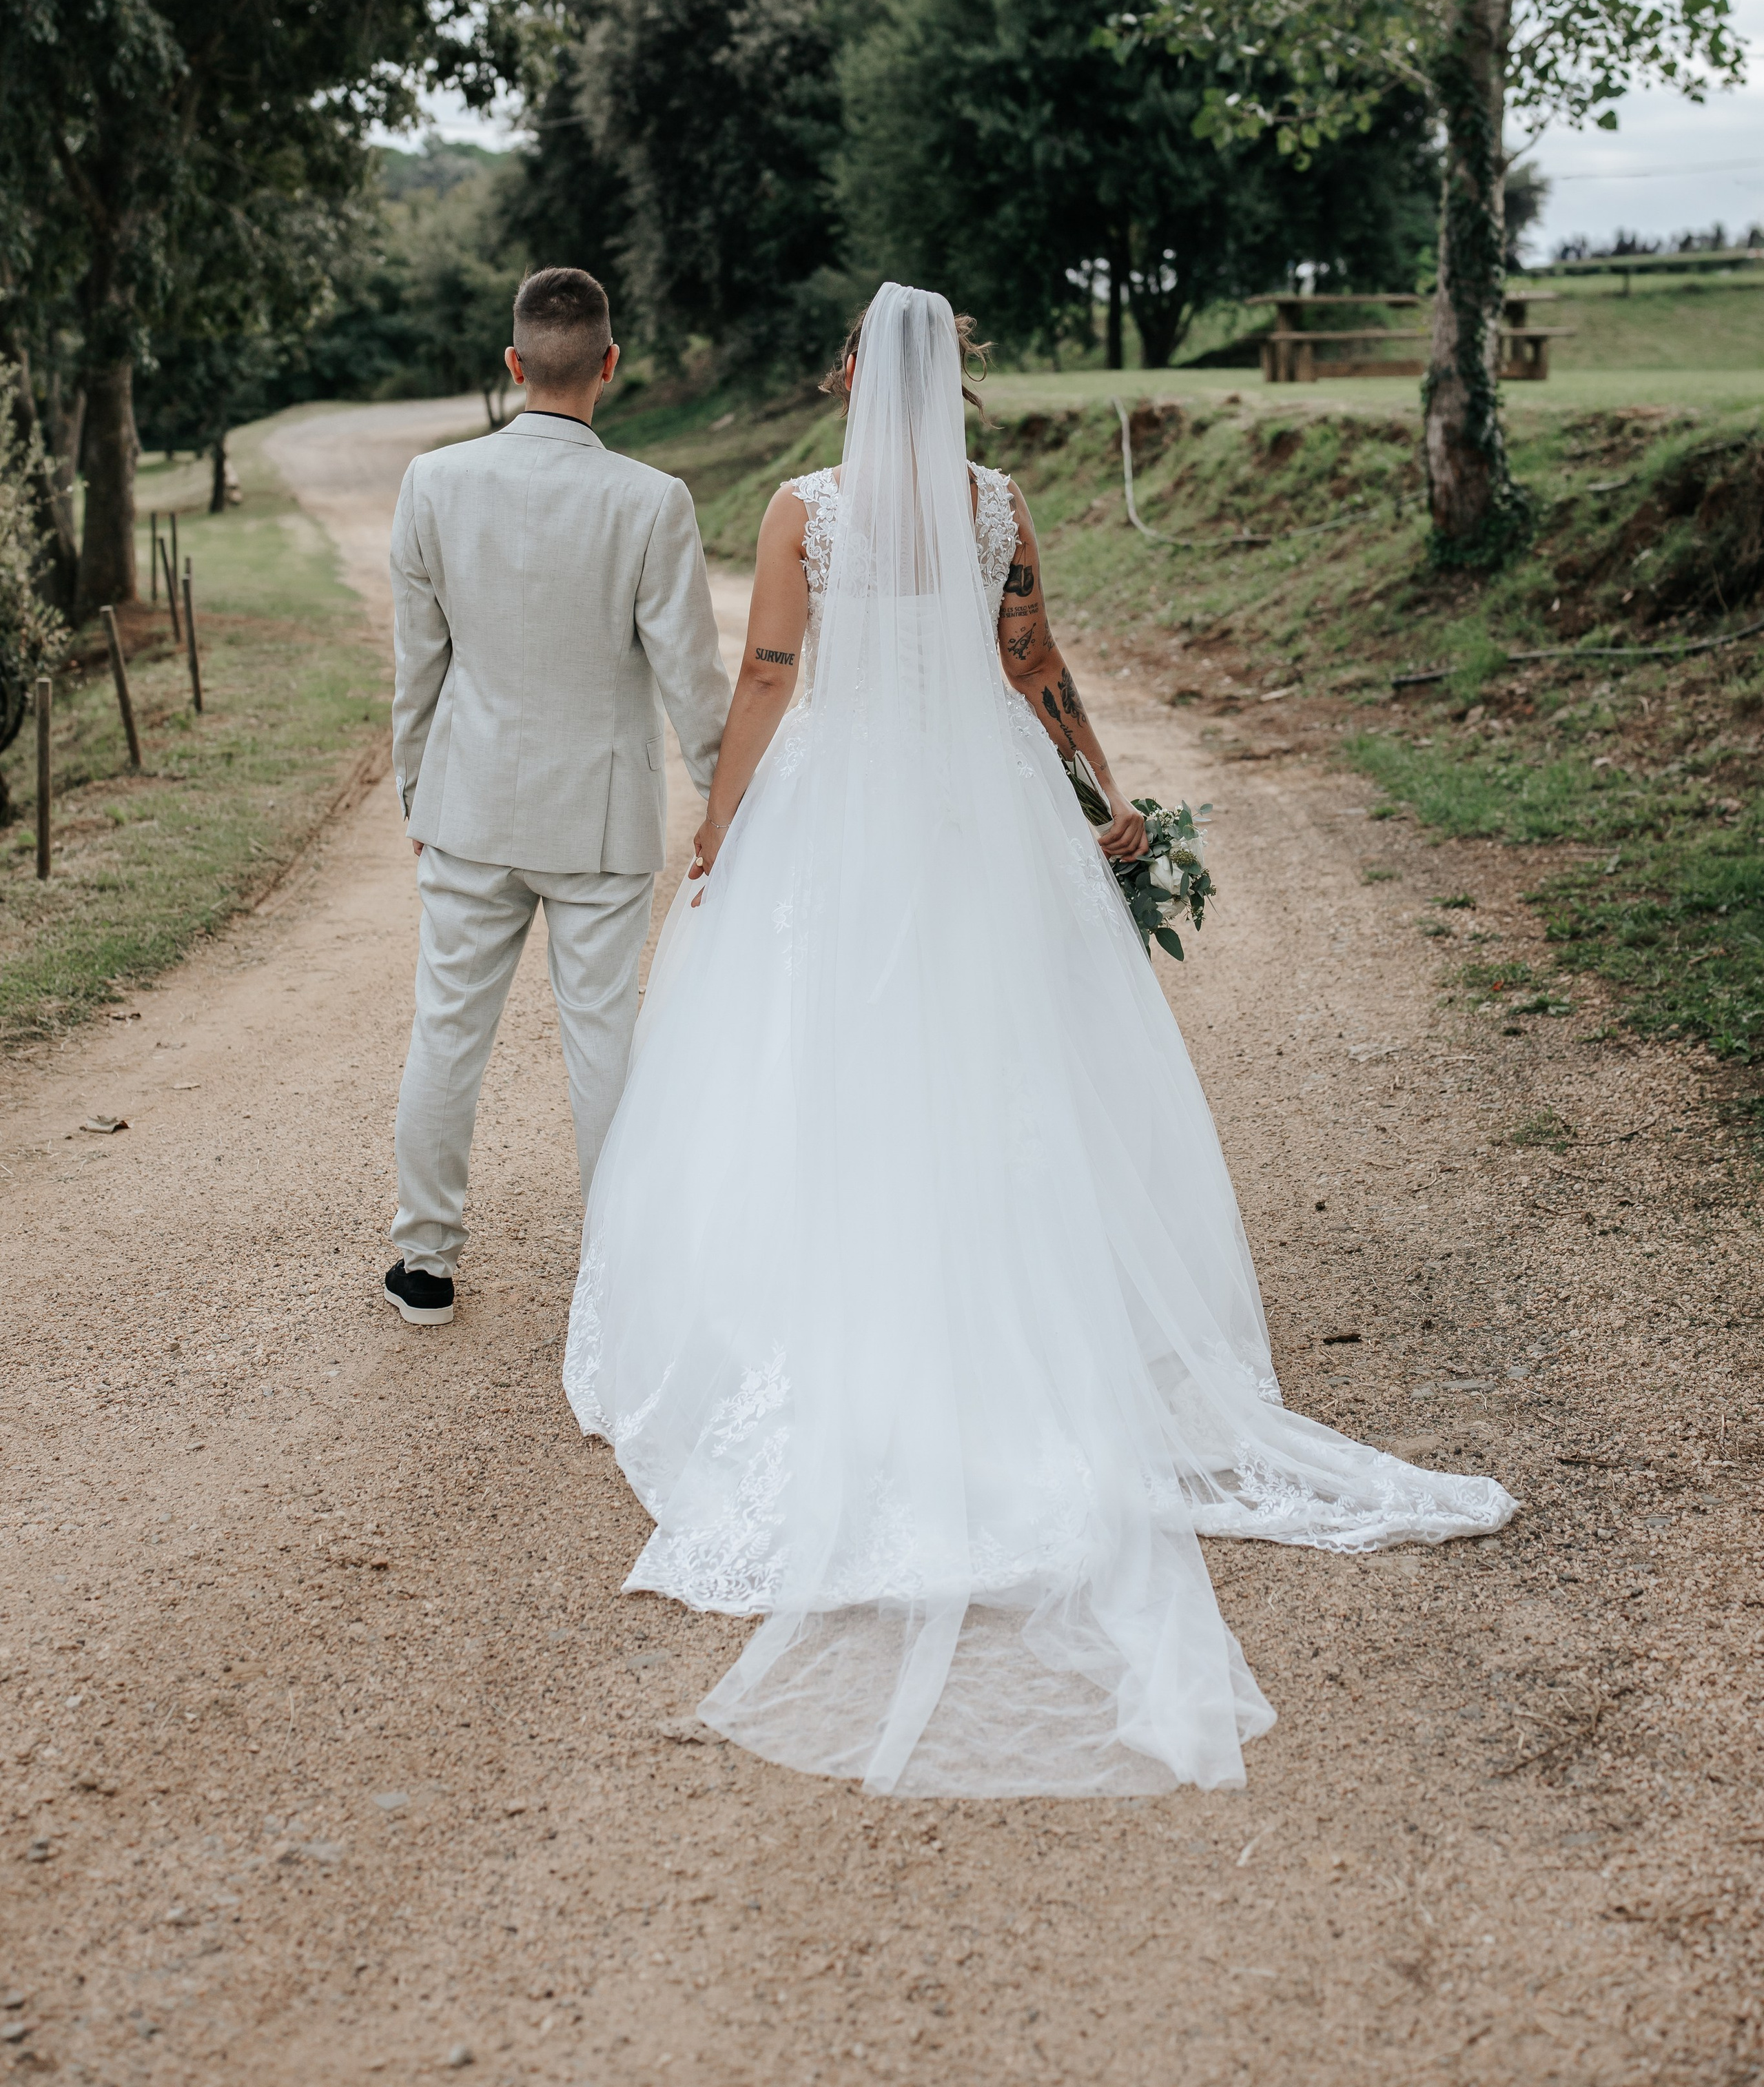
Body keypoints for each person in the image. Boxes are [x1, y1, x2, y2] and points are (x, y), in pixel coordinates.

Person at [564, 283, 1512, 1797]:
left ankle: (853, 1294)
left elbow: (765, 676)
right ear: (958, 381)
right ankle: (1010, 1291)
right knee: (1003, 1052)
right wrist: (1102, 794)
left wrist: (720, 818)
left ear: (852, 376)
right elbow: (1031, 662)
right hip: (981, 806)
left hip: (845, 809)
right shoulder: (995, 499)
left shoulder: (806, 512)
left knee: (833, 1057)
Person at [384, 266, 730, 1327]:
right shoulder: (651, 500)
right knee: (605, 1037)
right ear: (611, 366)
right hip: (600, 819)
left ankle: (426, 1263)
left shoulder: (433, 484)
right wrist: (729, 801)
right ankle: (620, 1268)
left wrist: (416, 790)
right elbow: (691, 679)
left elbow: (418, 667)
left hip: (472, 806)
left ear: (514, 364)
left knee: (447, 1030)